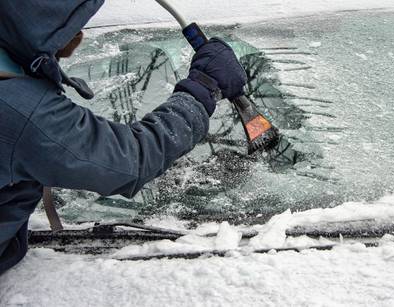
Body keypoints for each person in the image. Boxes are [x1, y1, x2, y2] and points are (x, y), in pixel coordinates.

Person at [0, 0, 247, 275]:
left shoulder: (12, 73)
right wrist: (204, 87)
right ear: (40, 23)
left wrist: (46, 55)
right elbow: (132, 158)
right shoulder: (20, 110)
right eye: (71, 24)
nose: (79, 35)